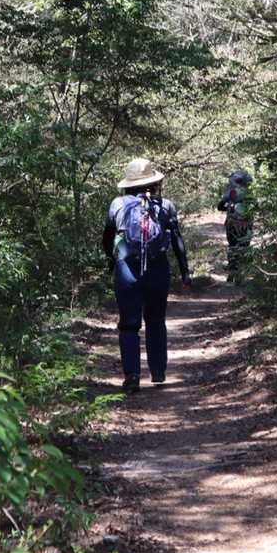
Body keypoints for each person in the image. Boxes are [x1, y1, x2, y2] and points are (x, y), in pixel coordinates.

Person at [103, 158, 192, 392]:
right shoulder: (166, 206)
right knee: (155, 320)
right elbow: (177, 240)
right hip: (157, 269)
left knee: (129, 325)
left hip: (127, 270)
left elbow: (107, 237)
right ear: (153, 182)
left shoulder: (117, 204)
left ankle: (132, 376)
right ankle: (158, 372)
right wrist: (185, 272)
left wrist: (111, 261)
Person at [217, 168, 253, 284]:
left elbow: (219, 206)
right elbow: (256, 207)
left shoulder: (231, 193)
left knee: (232, 246)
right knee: (244, 247)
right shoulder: (250, 193)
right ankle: (240, 275)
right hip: (246, 225)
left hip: (232, 224)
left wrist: (229, 207)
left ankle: (232, 273)